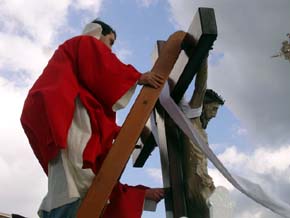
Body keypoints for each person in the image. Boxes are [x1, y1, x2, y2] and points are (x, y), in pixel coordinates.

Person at [20, 19, 164, 218]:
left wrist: (126, 132)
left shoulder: (82, 84)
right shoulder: (84, 42)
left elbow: (98, 115)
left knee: (81, 175)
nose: (110, 49)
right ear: (98, 32)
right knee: (79, 171)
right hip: (64, 112)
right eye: (110, 41)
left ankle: (59, 210)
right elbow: (103, 65)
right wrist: (137, 77)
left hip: (59, 115)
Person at [179, 58, 224, 218]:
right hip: (195, 184)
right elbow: (200, 88)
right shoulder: (193, 117)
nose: (214, 114)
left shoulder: (200, 131)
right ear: (203, 105)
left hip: (205, 182)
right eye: (213, 108)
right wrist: (203, 54)